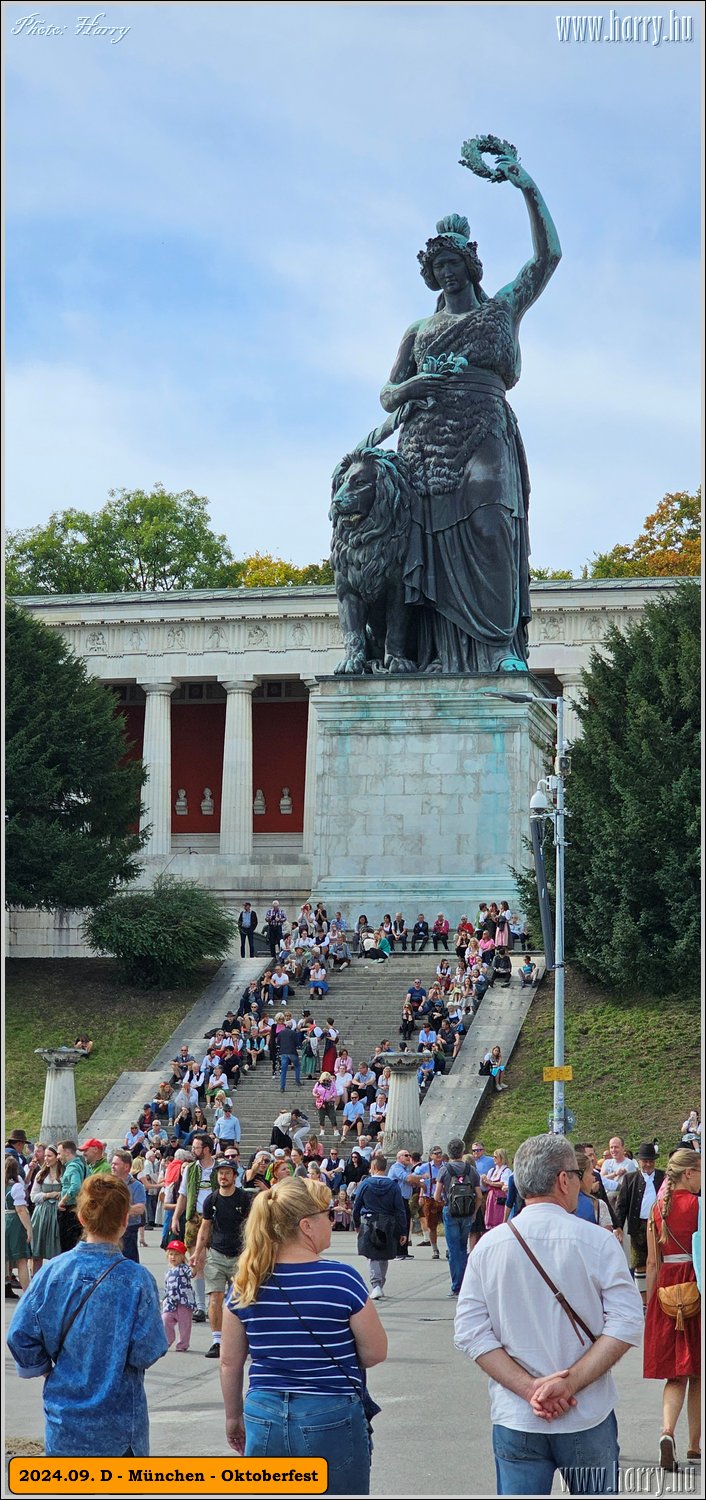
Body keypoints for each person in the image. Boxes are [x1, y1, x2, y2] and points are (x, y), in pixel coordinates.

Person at [454, 1133, 644, 1495]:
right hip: (586, 1412)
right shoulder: (598, 1242)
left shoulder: (488, 1247)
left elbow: (470, 1332)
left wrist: (529, 1390)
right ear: (562, 1180)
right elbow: (626, 1322)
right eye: (577, 1173)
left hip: (517, 1414)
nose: (580, 1182)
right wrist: (569, 1385)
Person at [219, 1176, 387, 1494]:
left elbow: (230, 1361)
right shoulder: (342, 1278)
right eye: (328, 1213)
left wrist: (233, 1417)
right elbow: (375, 1352)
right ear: (307, 1225)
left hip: (264, 1411)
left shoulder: (247, 1282)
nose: (333, 1219)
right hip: (330, 1411)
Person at [7, 1174, 167, 1456]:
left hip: (65, 1422)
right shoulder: (137, 1280)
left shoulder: (52, 1272)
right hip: (120, 1429)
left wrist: (47, 1368)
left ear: (81, 1217)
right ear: (124, 1222)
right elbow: (147, 1350)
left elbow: (20, 1335)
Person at [644, 1148, 701, 1472]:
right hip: (696, 1286)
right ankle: (695, 1444)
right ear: (690, 1173)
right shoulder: (699, 1206)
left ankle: (667, 1431)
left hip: (666, 1289)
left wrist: (652, 1303)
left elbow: (653, 1262)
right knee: (698, 1371)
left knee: (675, 1374)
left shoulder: (657, 1209)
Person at [191, 1157, 252, 1359]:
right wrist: (197, 1252)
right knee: (215, 1297)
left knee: (242, 1299)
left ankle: (244, 1339)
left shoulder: (244, 1199)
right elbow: (204, 1228)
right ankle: (217, 1341)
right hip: (216, 1254)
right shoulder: (212, 1200)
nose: (223, 1176)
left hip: (240, 1256)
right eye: (220, 1173)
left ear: (235, 1176)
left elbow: (252, 1228)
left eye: (227, 1173)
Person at [613, 1142, 665, 1302]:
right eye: (645, 1161)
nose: (648, 1164)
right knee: (639, 1261)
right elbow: (621, 1204)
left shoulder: (662, 1177)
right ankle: (642, 1299)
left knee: (658, 1259)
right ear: (640, 1161)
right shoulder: (630, 1179)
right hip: (638, 1225)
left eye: (651, 1161)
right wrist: (618, 1226)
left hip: (658, 1225)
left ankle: (658, 1295)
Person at [353, 1154, 408, 1301]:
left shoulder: (365, 1184)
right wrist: (403, 1230)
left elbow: (356, 1206)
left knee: (373, 1255)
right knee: (383, 1255)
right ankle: (380, 1284)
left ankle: (376, 1285)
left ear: (374, 1168)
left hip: (369, 1221)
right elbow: (400, 1209)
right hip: (388, 1222)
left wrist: (357, 1224)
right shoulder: (393, 1185)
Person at [434, 1136, 482, 1296]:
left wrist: (446, 1203)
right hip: (467, 1213)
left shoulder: (444, 1170)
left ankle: (457, 1286)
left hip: (451, 1212)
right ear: (463, 1151)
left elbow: (436, 1196)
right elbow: (479, 1196)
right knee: (464, 1248)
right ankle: (467, 1283)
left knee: (453, 1249)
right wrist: (474, 1212)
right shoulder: (471, 1170)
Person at [28, 1144, 63, 1271]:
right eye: (46, 1155)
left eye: (50, 1156)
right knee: (37, 1252)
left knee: (56, 1253)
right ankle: (35, 1282)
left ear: (57, 1157)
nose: (46, 1158)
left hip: (57, 1214)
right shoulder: (41, 1174)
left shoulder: (63, 1174)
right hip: (41, 1214)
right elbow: (33, 1196)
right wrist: (48, 1195)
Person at [111, 1149, 146, 1261]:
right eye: (112, 1163)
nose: (112, 1166)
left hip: (128, 1231)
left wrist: (120, 1210)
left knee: (129, 1262)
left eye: (116, 1164)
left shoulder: (136, 1186)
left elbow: (140, 1208)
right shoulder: (108, 1184)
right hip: (110, 1230)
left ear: (126, 1167)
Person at [162, 1237, 196, 1352]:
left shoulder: (183, 1268)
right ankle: (167, 1340)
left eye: (176, 1254)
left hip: (184, 1302)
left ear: (182, 1257)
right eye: (171, 1254)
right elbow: (167, 1287)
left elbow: (191, 1274)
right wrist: (164, 1299)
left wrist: (193, 1267)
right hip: (171, 1302)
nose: (173, 1257)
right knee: (166, 1319)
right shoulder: (168, 1272)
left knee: (184, 1325)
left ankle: (183, 1344)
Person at [5, 1156, 33, 1292]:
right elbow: (21, 1210)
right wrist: (29, 1228)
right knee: (21, 1260)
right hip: (13, 1222)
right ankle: (27, 1292)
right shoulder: (15, 1187)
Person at [56, 1140, 87, 1254]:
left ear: (67, 1152)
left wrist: (62, 1201)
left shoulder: (72, 1167)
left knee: (68, 1245)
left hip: (70, 1209)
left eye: (59, 1153)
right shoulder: (81, 1165)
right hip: (77, 1207)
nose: (58, 1157)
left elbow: (75, 1187)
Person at [482, 1149, 513, 1230]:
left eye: (495, 1157)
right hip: (491, 1198)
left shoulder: (506, 1171)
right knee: (490, 1217)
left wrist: (491, 1183)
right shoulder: (492, 1170)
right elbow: (486, 1185)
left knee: (498, 1217)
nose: (493, 1158)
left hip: (500, 1198)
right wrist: (484, 1180)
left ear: (501, 1158)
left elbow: (504, 1183)